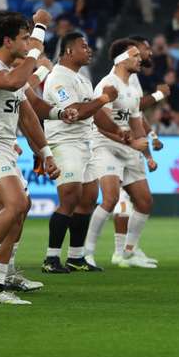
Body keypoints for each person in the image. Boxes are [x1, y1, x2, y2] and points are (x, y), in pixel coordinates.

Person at [0, 12, 60, 304]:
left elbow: (29, 118)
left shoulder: (9, 68)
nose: (28, 43)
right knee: (15, 203)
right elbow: (13, 80)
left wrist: (46, 153)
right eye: (23, 38)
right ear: (8, 40)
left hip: (4, 147)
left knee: (20, 208)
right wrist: (36, 50)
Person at [41, 31, 124, 273]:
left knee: (88, 199)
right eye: (83, 46)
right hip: (64, 142)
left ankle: (76, 257)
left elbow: (96, 115)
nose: (88, 50)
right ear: (68, 51)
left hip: (84, 143)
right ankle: (51, 258)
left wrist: (120, 131)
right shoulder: (58, 78)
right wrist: (104, 98)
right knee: (69, 197)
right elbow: (75, 111)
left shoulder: (82, 79)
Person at [82, 40, 157, 268]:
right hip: (105, 146)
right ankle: (86, 253)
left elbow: (136, 124)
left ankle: (128, 252)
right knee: (111, 198)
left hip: (129, 148)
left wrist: (148, 155)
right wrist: (131, 142)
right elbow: (101, 122)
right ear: (121, 59)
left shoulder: (133, 88)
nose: (140, 59)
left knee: (144, 202)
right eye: (135, 55)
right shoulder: (107, 85)